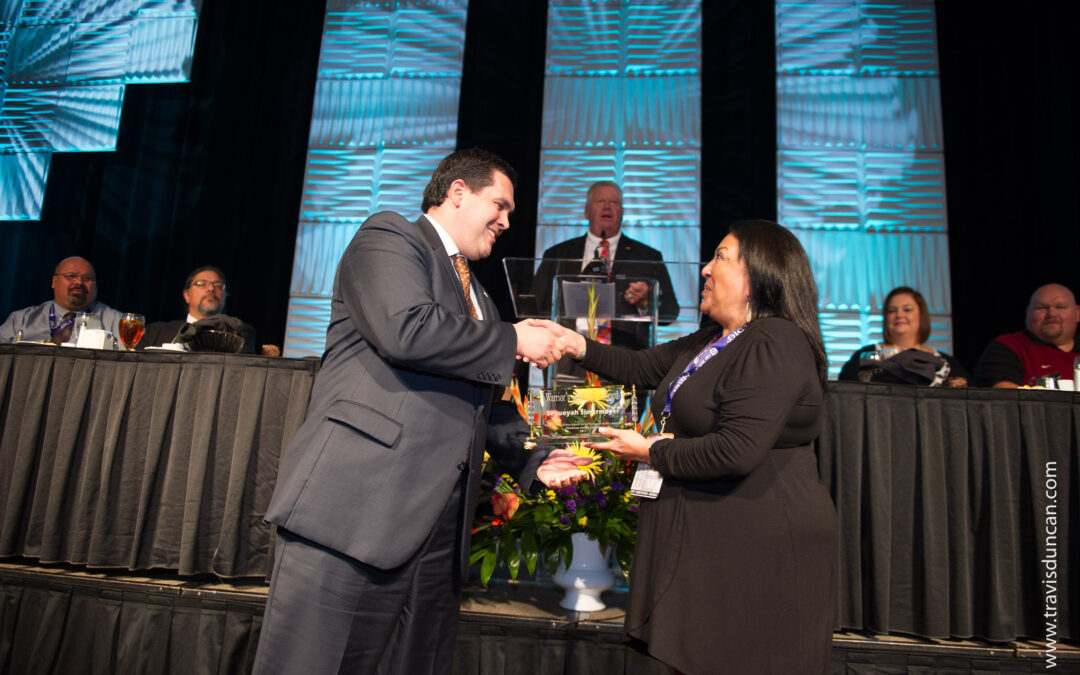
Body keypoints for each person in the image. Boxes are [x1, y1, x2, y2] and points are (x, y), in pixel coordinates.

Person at [252, 149, 566, 674]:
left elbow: (491, 407)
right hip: (356, 514)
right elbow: (407, 330)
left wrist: (537, 461)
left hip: (439, 540)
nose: (507, 222)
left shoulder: (482, 301)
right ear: (458, 192)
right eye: (501, 205)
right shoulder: (390, 237)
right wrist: (512, 338)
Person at [535, 220, 837, 674]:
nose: (705, 269)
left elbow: (736, 450)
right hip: (712, 540)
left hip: (755, 548)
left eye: (721, 257)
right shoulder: (714, 339)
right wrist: (574, 344)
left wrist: (650, 451)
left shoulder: (775, 340)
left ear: (759, 276)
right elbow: (640, 367)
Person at [532, 181, 679, 351]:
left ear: (622, 213)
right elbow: (533, 305)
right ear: (587, 211)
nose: (607, 207)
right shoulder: (557, 254)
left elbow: (670, 312)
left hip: (624, 356)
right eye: (600, 201)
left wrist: (645, 302)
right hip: (566, 353)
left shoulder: (648, 257)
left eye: (614, 202)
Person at [838, 286, 968, 386]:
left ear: (921, 315)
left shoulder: (948, 364)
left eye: (907, 309)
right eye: (892, 311)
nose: (899, 315)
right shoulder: (864, 356)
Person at [138, 266, 276, 355]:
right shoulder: (155, 332)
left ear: (225, 295)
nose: (211, 289)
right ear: (186, 295)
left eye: (218, 285)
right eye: (201, 284)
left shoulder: (240, 332)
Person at [974, 283, 1080, 387]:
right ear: (1028, 313)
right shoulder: (1008, 347)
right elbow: (1006, 394)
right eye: (1042, 308)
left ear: (1077, 313)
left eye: (1060, 307)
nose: (1052, 314)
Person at [0, 256, 122, 344]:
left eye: (87, 278)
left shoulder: (116, 322)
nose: (79, 282)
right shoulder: (21, 320)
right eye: (71, 276)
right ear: (54, 282)